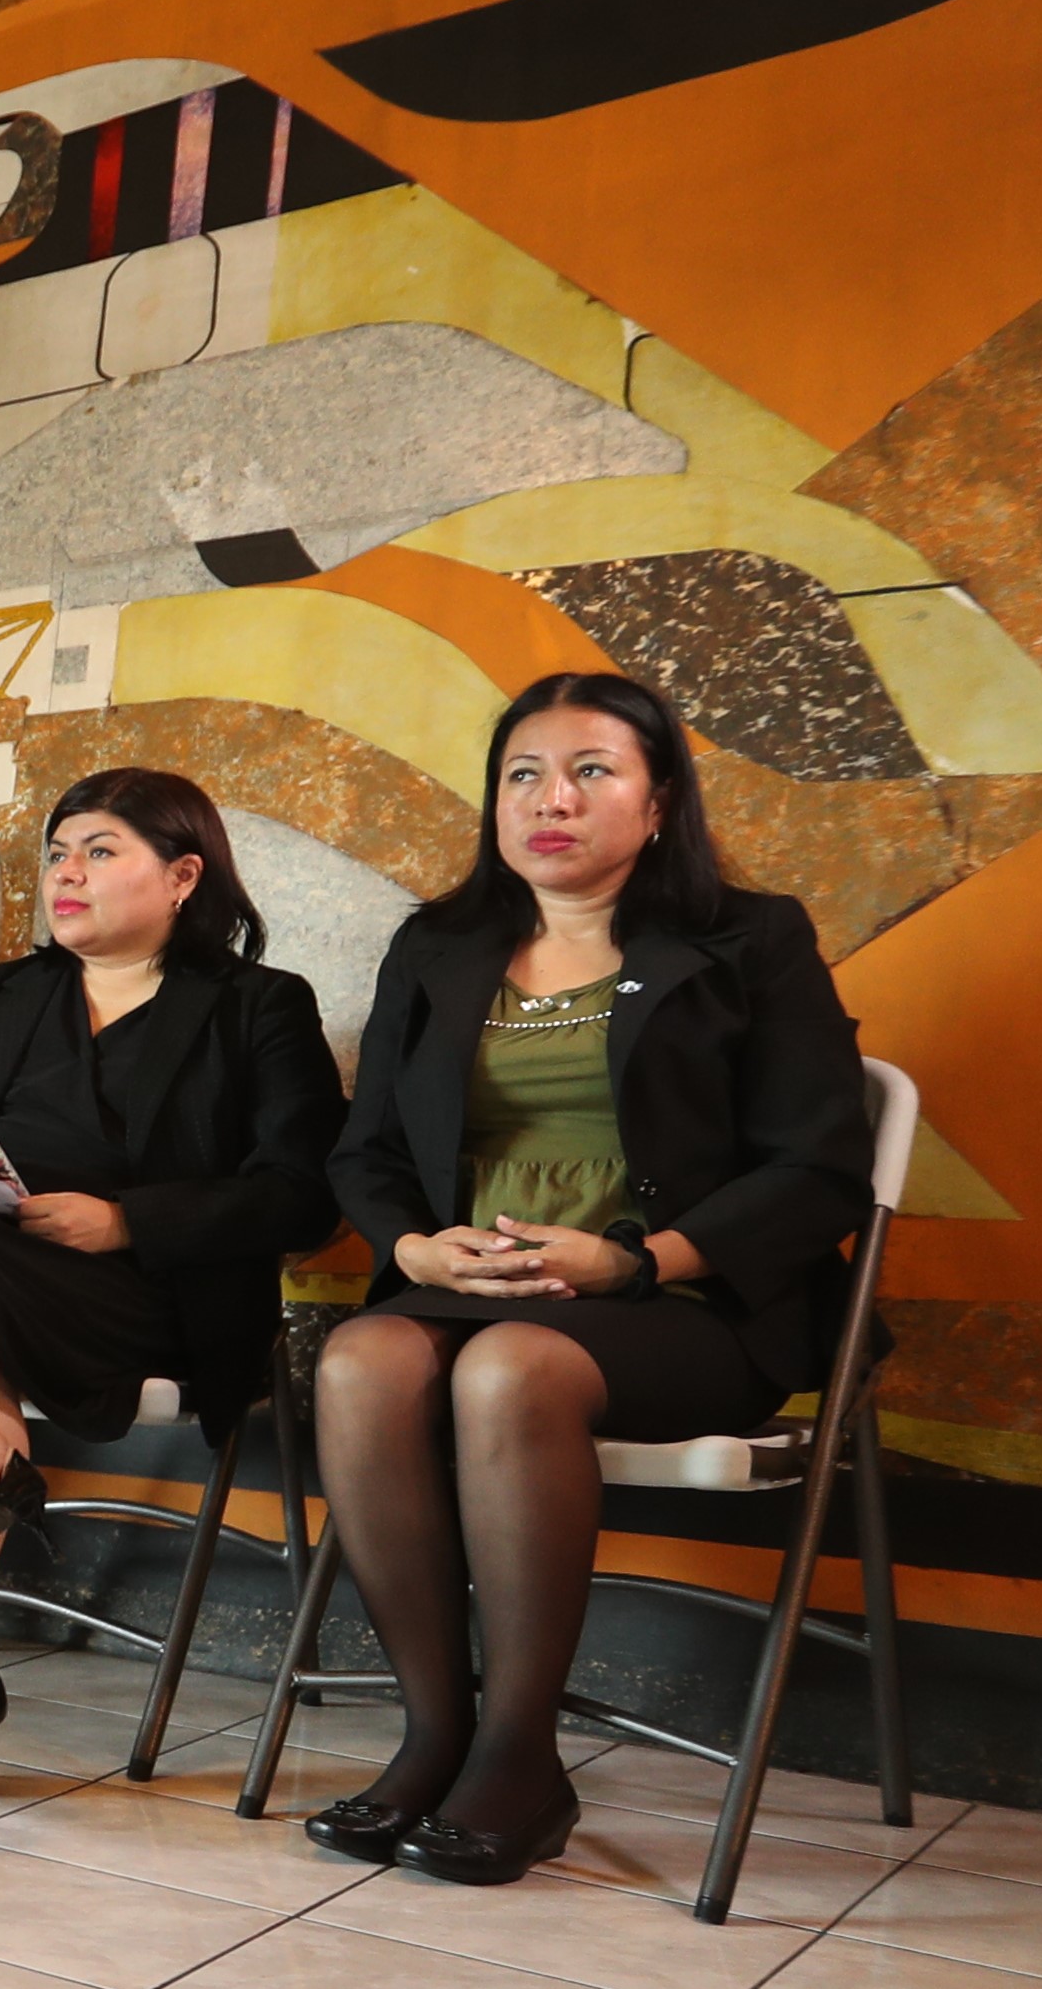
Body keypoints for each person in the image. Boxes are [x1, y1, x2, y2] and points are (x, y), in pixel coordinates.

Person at [306, 672, 873, 1884]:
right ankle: (435, 1730)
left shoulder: (748, 940)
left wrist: (635, 1258)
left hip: (683, 1300)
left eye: (590, 771)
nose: (548, 799)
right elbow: (367, 1152)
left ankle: (519, 1756)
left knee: (511, 1374)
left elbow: (821, 1168)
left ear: (659, 801)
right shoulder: (439, 947)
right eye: (521, 775)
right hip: (468, 1285)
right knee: (358, 1360)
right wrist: (409, 1246)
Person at [0, 767, 340, 1794]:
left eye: (100, 852)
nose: (67, 874)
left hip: (143, 1297)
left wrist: (130, 1220)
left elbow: (302, 1195)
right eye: (56, 853)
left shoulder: (257, 1007)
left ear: (184, 877)